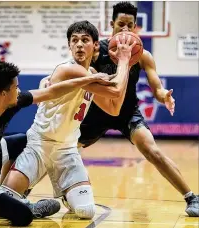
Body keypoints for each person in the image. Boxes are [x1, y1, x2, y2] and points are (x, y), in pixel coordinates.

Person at [1, 20, 136, 219]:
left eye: (85, 40)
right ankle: (27, 200)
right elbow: (115, 89)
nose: (79, 44)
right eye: (74, 40)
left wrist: (125, 65)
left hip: (67, 149)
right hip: (39, 145)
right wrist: (125, 61)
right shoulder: (68, 70)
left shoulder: (91, 75)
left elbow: (114, 108)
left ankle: (66, 194)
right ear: (69, 46)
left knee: (86, 211)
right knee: (4, 204)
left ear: (95, 45)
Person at [77, 2, 198, 217]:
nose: (125, 30)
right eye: (120, 24)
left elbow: (157, 88)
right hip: (98, 111)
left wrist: (164, 97)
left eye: (130, 26)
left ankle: (191, 198)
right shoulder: (97, 51)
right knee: (64, 149)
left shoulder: (142, 55)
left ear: (135, 28)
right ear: (111, 24)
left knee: (151, 149)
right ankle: (26, 188)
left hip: (127, 113)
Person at [0, 60, 115, 225]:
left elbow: (53, 91)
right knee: (22, 215)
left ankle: (6, 193)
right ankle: (21, 203)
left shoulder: (15, 100)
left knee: (23, 140)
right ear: (3, 93)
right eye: (15, 87)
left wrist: (90, 78)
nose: (19, 90)